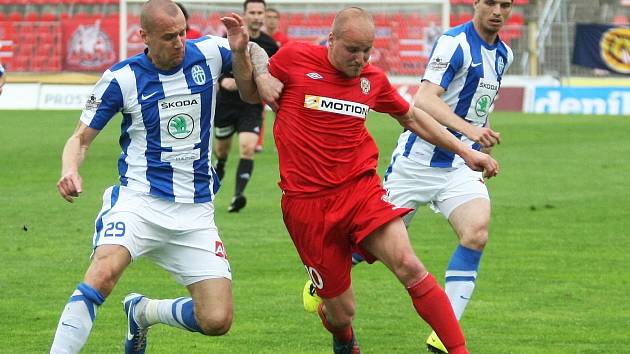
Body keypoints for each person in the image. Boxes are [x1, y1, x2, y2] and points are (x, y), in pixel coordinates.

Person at [265, 7, 500, 354]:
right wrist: (249, 57)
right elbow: (249, 76)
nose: (360, 59)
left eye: (367, 50)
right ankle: (344, 337)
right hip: (307, 206)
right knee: (342, 313)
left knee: (409, 264)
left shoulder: (372, 80)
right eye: (352, 50)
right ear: (331, 39)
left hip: (360, 191)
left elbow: (411, 118)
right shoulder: (294, 59)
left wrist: (466, 152)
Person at [49, 1, 271, 353]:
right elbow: (79, 139)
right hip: (139, 203)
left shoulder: (209, 52)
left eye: (182, 33)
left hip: (196, 211)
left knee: (217, 319)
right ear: (144, 37)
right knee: (102, 274)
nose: (179, 42)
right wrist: (69, 169)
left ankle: (143, 311)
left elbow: (249, 91)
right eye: (169, 37)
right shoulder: (122, 78)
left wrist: (243, 51)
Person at [213, 0, 278, 213]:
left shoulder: (271, 45)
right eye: (253, 12)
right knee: (222, 151)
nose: (257, 16)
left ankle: (237, 196)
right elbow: (216, 67)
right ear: (245, 15)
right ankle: (220, 165)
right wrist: (224, 81)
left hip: (250, 104)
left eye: (261, 12)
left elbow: (273, 74)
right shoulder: (227, 40)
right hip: (226, 104)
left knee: (247, 148)